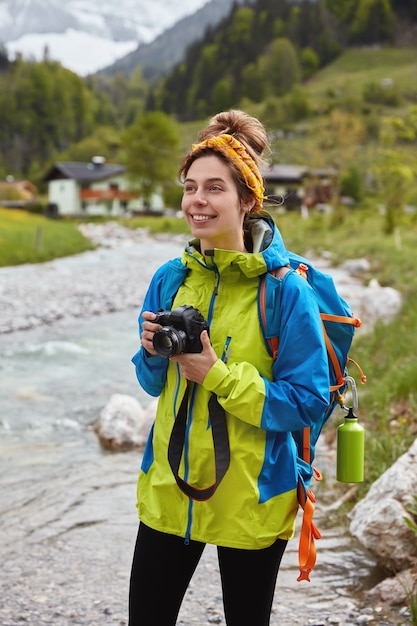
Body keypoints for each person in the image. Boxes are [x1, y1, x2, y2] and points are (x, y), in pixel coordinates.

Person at [129, 109, 330, 626]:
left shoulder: (285, 291)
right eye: (190, 186)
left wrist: (217, 375)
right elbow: (152, 383)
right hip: (170, 488)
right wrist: (153, 354)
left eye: (214, 188)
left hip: (253, 499)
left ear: (247, 200)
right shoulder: (170, 277)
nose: (197, 200)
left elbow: (308, 401)